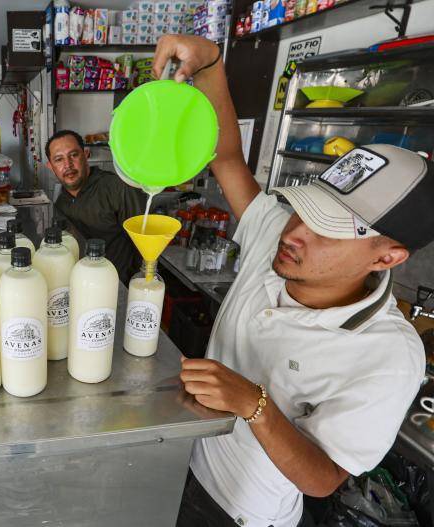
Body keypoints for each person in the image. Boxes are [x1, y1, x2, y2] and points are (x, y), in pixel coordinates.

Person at [151, 35, 430, 527]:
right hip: (179, 461)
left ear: (387, 256)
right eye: (305, 209)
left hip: (238, 512)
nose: (295, 233)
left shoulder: (388, 354)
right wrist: (211, 64)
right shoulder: (275, 240)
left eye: (329, 228)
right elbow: (227, 159)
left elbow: (323, 480)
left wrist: (253, 403)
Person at [45, 130, 146, 282]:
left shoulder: (117, 189)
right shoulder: (61, 202)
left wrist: (135, 285)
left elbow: (143, 242)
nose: (68, 165)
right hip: (82, 281)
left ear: (86, 154)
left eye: (74, 155)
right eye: (59, 159)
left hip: (118, 283)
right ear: (50, 166)